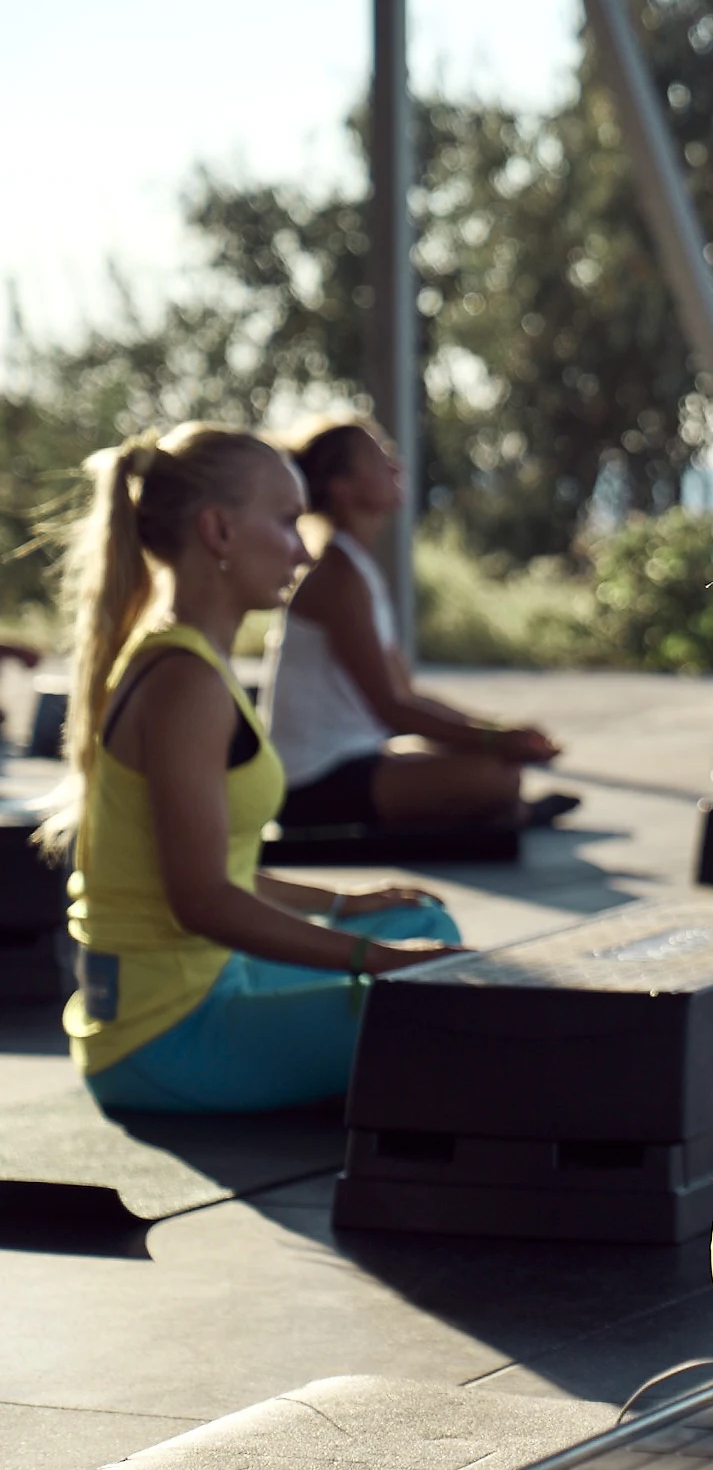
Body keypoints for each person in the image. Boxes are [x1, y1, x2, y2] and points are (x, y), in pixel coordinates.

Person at [36, 424, 466, 1113]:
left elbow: (211, 866)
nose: (301, 547)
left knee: (428, 930)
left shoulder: (191, 660)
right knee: (441, 998)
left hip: (204, 983)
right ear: (218, 531)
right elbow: (202, 898)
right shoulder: (186, 683)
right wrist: (372, 961)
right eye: (287, 522)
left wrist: (347, 908)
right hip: (164, 1036)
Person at [262, 418, 576, 832]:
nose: (396, 467)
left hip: (357, 759)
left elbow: (405, 693)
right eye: (379, 460)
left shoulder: (356, 569)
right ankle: (498, 813)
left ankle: (499, 814)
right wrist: (494, 741)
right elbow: (392, 709)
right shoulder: (338, 577)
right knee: (496, 776)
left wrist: (498, 731)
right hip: (313, 783)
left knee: (494, 766)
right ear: (343, 487)